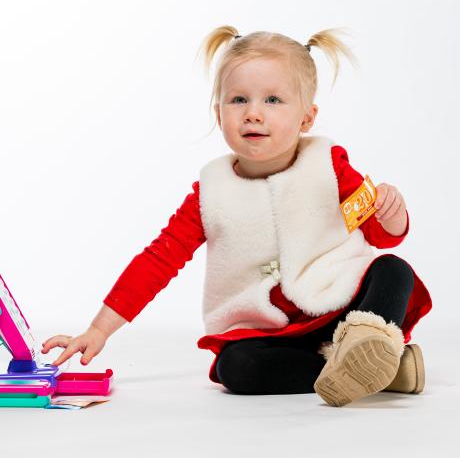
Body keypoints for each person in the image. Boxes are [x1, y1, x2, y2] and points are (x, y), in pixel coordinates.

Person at [41, 26, 432, 407]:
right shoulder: (210, 192)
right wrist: (98, 329)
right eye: (239, 100)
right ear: (218, 111)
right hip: (268, 333)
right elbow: (158, 261)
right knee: (237, 369)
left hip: (338, 310)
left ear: (306, 118)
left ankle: (365, 342)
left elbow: (380, 236)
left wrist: (392, 216)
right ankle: (379, 371)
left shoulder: (328, 164)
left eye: (273, 101)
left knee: (392, 270)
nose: (253, 114)